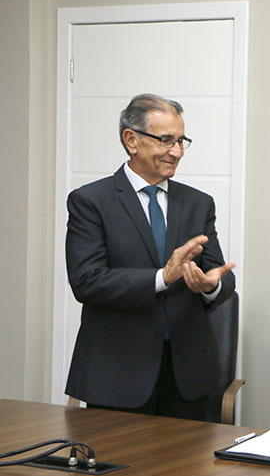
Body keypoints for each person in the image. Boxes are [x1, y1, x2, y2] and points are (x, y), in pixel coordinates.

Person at [65, 93, 236, 420]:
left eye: (181, 140)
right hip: (118, 374)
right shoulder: (91, 201)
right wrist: (162, 277)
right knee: (120, 471)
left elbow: (219, 275)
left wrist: (211, 285)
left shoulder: (199, 203)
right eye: (166, 140)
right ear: (131, 140)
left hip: (188, 378)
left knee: (189, 472)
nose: (177, 151)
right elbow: (87, 282)